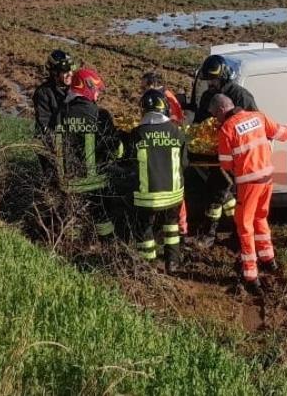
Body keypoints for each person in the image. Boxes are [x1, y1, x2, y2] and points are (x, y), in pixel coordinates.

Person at [210, 93, 287, 295]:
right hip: (267, 178)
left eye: (214, 115)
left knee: (244, 225)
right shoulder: (258, 117)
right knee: (260, 218)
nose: (215, 119)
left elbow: (226, 164)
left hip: (249, 182)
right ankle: (268, 258)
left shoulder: (226, 129)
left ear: (221, 110)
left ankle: (250, 274)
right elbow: (284, 134)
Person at [192, 55, 258, 247]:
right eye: (209, 80)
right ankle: (231, 231)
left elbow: (254, 125)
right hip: (214, 157)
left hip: (238, 158)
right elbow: (200, 125)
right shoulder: (206, 97)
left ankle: (211, 234)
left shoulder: (241, 96)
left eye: (215, 79)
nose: (211, 84)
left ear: (225, 76)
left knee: (219, 193)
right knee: (219, 192)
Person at [54, 68, 122, 242]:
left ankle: (70, 250)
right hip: (94, 181)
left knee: (71, 220)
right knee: (103, 218)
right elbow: (114, 148)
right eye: (97, 89)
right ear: (88, 87)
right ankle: (107, 248)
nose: (98, 93)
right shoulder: (100, 114)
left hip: (68, 180)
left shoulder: (61, 113)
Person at [126, 90, 187, 273]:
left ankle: (149, 266)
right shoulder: (176, 132)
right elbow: (185, 163)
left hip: (147, 197)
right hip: (173, 195)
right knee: (171, 227)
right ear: (165, 109)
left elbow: (129, 163)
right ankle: (173, 263)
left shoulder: (136, 134)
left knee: (145, 228)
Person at [140, 71, 189, 240]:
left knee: (175, 188)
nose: (143, 90)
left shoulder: (164, 98)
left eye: (144, 86)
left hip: (169, 141)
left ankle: (182, 228)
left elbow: (173, 121)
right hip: (169, 138)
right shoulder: (163, 96)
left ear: (152, 84)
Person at [33, 50, 74, 139]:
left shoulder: (77, 89)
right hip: (54, 141)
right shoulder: (43, 93)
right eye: (65, 71)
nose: (70, 74)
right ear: (54, 73)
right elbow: (44, 126)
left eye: (71, 69)